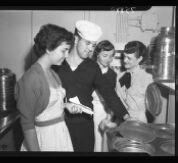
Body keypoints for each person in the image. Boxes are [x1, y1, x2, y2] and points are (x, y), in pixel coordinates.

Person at [52, 20, 130, 152]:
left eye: (93, 45)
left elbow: (109, 93)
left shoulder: (92, 67)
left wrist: (127, 117)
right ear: (76, 39)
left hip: (85, 126)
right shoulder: (58, 64)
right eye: (87, 43)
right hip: (60, 123)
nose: (90, 49)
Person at [15, 24, 83, 151]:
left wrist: (65, 106)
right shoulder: (30, 80)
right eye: (64, 50)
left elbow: (47, 106)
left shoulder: (52, 73)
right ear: (48, 48)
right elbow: (27, 124)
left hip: (61, 135)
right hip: (44, 139)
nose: (67, 55)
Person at [115, 41, 154, 123]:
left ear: (139, 59)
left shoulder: (147, 78)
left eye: (129, 58)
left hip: (140, 120)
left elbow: (152, 106)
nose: (125, 60)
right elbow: (117, 100)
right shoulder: (119, 76)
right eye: (124, 57)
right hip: (123, 119)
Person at [90, 40, 117, 152]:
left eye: (111, 56)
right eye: (105, 55)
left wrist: (109, 117)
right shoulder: (89, 70)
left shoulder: (112, 74)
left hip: (104, 111)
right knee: (91, 140)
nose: (109, 59)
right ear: (97, 54)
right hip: (89, 109)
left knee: (102, 141)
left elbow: (113, 98)